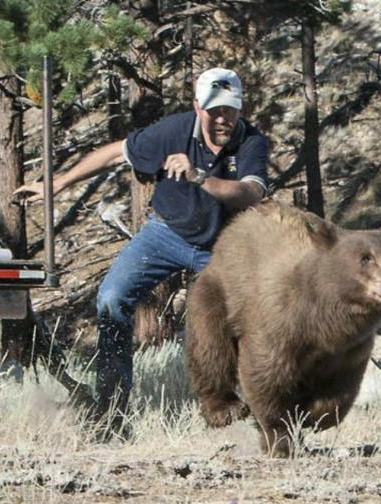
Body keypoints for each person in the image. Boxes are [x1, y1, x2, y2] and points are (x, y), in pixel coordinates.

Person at [14, 67, 270, 429]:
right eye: (215, 110)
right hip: (165, 234)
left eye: (230, 109)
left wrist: (199, 176)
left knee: (250, 319)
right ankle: (111, 408)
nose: (223, 118)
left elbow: (251, 193)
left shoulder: (251, 142)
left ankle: (256, 410)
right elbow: (116, 153)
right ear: (198, 108)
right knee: (112, 298)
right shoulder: (173, 131)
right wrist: (59, 182)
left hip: (225, 245)